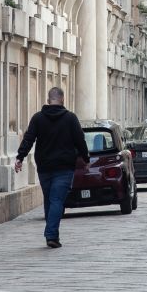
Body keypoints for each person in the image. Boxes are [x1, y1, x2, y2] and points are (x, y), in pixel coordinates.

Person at [14, 87, 89, 249]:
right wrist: (86, 158)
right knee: (56, 200)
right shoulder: (70, 118)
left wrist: (20, 157)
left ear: (48, 100)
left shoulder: (38, 118)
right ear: (62, 100)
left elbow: (29, 139)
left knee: (50, 199)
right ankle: (52, 235)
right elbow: (80, 141)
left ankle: (51, 233)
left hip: (44, 167)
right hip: (64, 167)